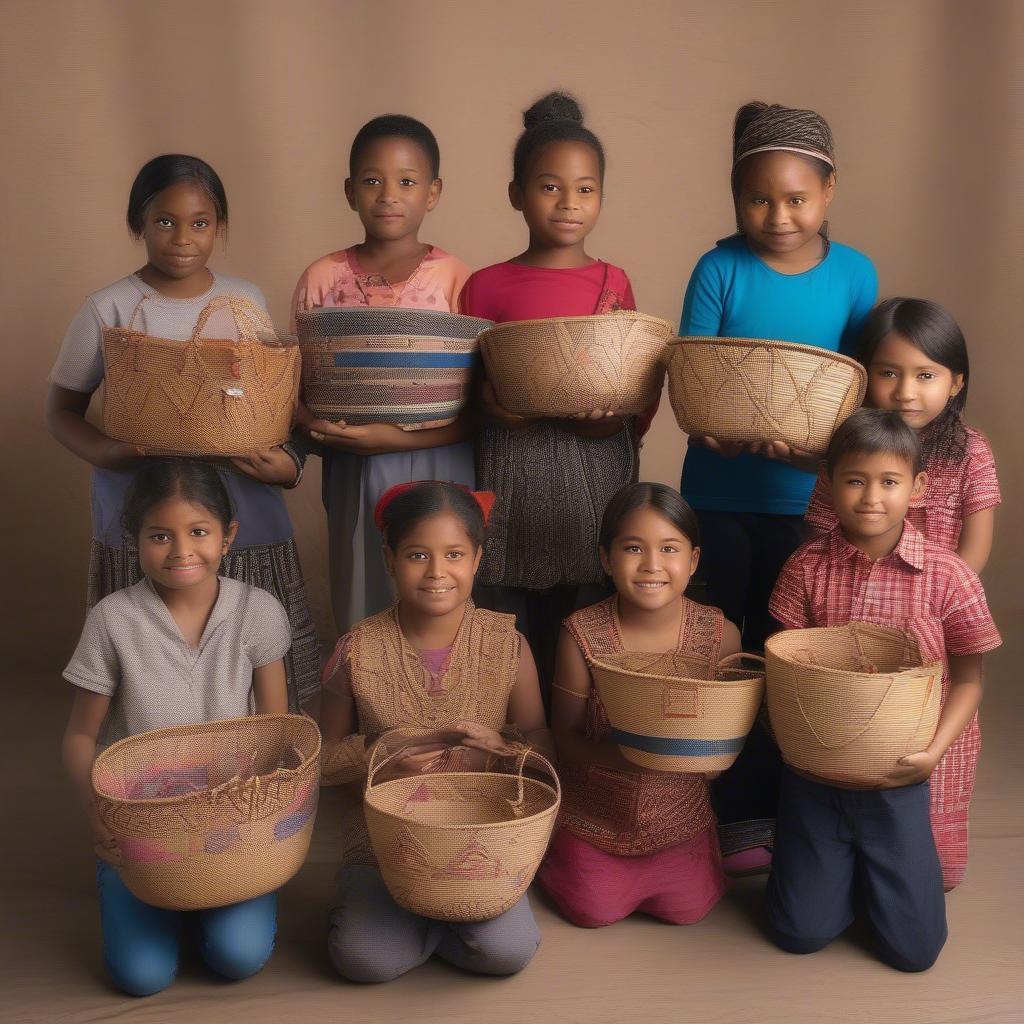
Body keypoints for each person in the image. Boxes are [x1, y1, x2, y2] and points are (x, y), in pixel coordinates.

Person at [677, 101, 878, 871]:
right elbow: (695, 384)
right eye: (759, 199)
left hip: (810, 505)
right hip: (721, 498)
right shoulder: (718, 267)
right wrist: (723, 430)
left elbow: (858, 391)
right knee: (725, 655)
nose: (779, 215)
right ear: (736, 197)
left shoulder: (855, 273)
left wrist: (806, 454)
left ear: (828, 193)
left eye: (797, 198)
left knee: (792, 655)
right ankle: (725, 808)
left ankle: (795, 806)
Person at [45, 154, 318, 709]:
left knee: (246, 645)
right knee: (158, 650)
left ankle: (257, 741)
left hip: (240, 498)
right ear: (137, 224)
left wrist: (289, 464)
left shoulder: (243, 303)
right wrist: (107, 452)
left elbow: (273, 404)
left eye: (200, 223)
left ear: (219, 226)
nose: (183, 238)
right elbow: (61, 410)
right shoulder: (109, 308)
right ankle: (156, 740)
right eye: (164, 221)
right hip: (141, 498)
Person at [62, 460, 291, 995]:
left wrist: (265, 823)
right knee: (141, 977)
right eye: (160, 535)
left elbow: (279, 731)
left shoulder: (258, 611)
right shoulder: (112, 621)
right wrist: (99, 817)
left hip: (232, 826)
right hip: (143, 828)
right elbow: (79, 736)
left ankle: (214, 912)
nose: (182, 550)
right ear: (134, 539)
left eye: (199, 532)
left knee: (238, 958)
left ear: (228, 537)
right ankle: (151, 907)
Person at [769, 410, 1000, 921]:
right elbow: (790, 670)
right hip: (827, 761)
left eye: (889, 482)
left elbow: (968, 679)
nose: (871, 497)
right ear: (828, 485)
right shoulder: (805, 568)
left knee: (921, 916)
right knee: (800, 928)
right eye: (854, 480)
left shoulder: (951, 577)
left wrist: (933, 752)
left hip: (919, 760)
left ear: (917, 489)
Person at [318, 481, 552, 982]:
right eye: (418, 555)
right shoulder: (357, 650)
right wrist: (384, 758)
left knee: (509, 953)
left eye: (454, 555)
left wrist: (503, 750)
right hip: (383, 843)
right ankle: (422, 920)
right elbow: (323, 760)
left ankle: (432, 922)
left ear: (477, 559)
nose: (437, 572)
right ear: (389, 558)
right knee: (363, 962)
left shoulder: (506, 642)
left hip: (481, 837)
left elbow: (540, 741)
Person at [460, 90, 641, 704]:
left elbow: (633, 386)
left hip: (594, 468)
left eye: (585, 189)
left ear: (601, 198)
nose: (569, 203)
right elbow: (469, 392)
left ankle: (577, 730)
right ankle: (519, 737)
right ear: (516, 194)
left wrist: (608, 424)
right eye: (550, 186)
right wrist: (495, 410)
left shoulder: (614, 283)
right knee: (507, 607)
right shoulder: (486, 285)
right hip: (512, 469)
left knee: (589, 601)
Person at [291, 115, 474, 632]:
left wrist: (395, 437)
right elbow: (292, 381)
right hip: (351, 459)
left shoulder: (458, 279)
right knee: (365, 575)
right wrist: (315, 425)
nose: (389, 195)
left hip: (441, 455)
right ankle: (371, 698)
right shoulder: (322, 278)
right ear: (350, 191)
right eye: (372, 181)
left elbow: (481, 400)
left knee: (439, 580)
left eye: (408, 182)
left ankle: (446, 701)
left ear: (433, 192)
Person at [539, 483, 741, 927]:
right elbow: (565, 738)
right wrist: (628, 756)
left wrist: (701, 760)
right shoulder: (581, 633)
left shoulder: (720, 634)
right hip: (596, 818)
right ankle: (569, 856)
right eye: (633, 548)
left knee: (687, 910)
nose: (652, 565)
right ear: (606, 559)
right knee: (592, 910)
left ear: (693, 560)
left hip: (680, 819)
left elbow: (723, 743)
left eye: (669, 548)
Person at [805, 298, 999, 572]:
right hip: (851, 595)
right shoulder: (850, 442)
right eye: (888, 373)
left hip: (937, 600)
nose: (905, 393)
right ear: (864, 374)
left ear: (955, 383)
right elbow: (820, 530)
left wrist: (941, 597)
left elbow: (974, 550)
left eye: (926, 376)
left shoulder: (970, 450)